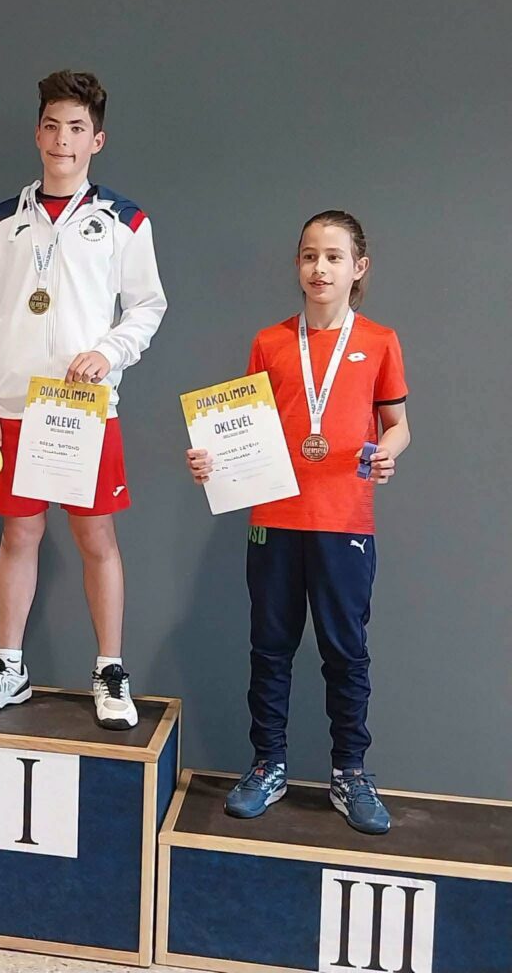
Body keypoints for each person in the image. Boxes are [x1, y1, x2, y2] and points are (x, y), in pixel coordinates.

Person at [186, 211, 410, 834]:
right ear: (297, 264)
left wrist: (389, 451)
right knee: (270, 647)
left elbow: (397, 424)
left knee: (346, 651)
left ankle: (350, 773)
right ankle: (268, 765)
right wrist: (210, 460)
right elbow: (241, 427)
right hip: (274, 517)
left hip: (344, 519)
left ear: (358, 268)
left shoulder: (380, 341)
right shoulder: (270, 341)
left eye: (334, 257)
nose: (320, 268)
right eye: (310, 255)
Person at [0, 71, 167, 730]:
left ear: (96, 140)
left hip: (82, 410)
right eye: (52, 126)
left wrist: (108, 352)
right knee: (18, 534)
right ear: (37, 133)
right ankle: (9, 666)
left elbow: (148, 306)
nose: (62, 139)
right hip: (13, 407)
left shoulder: (124, 221)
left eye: (76, 128)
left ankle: (110, 670)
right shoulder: (2, 220)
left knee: (95, 536)